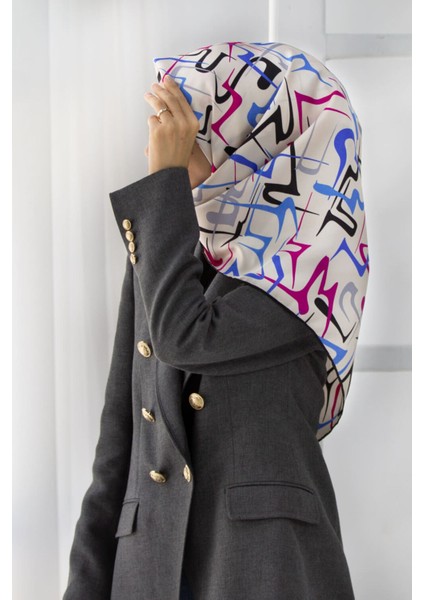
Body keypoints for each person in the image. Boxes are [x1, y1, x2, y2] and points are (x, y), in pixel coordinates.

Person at [63, 41, 369, 600]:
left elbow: (186, 337)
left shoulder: (313, 266)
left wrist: (164, 187)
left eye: (195, 129)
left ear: (261, 148)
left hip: (262, 569)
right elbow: (118, 447)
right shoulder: (165, 245)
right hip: (146, 572)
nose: (167, 149)